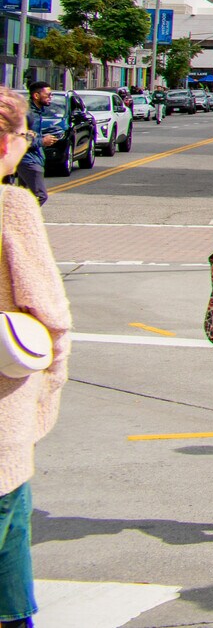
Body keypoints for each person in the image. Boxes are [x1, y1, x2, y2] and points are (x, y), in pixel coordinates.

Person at [0, 87, 71, 628]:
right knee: (9, 510)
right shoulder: (14, 207)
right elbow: (49, 311)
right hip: (4, 396)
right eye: (23, 136)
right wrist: (52, 380)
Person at [4, 82, 53, 206]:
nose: (50, 97)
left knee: (23, 195)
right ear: (36, 95)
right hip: (28, 160)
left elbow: (31, 135)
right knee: (40, 195)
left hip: (33, 158)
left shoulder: (37, 112)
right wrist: (42, 141)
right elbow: (21, 137)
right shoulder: (28, 114)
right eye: (47, 94)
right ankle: (20, 218)